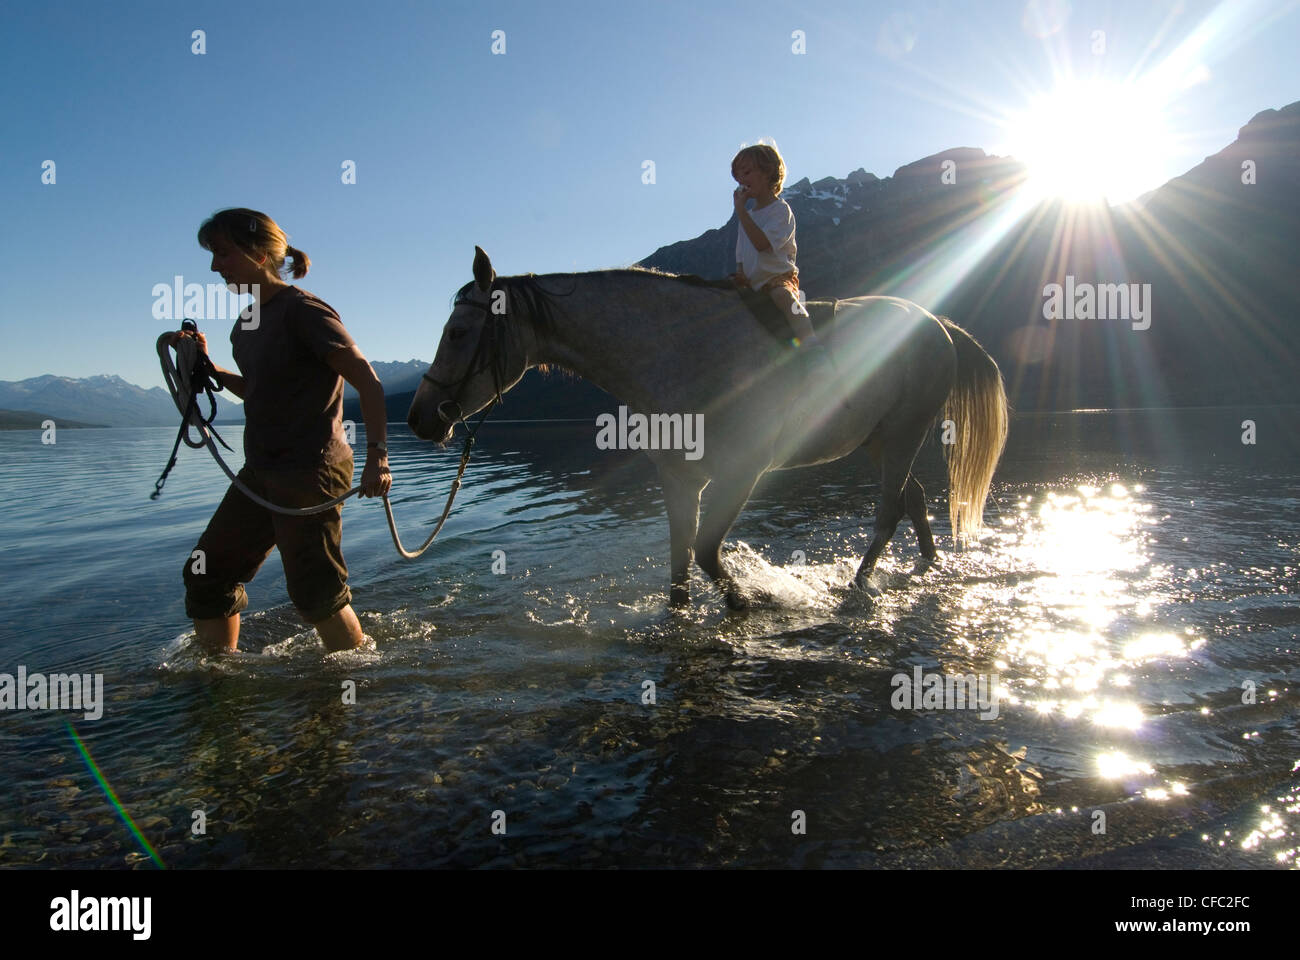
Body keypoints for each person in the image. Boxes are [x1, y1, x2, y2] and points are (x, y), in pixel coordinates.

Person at [165, 208, 391, 654]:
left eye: (223, 253)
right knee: (206, 572)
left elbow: (367, 379)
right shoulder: (246, 324)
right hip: (263, 470)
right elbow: (260, 390)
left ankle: (357, 683)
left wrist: (378, 457)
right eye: (213, 255)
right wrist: (210, 369)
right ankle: (218, 678)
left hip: (312, 471)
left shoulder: (304, 311)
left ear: (260, 252)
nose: (215, 267)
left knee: (315, 593)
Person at [728, 143, 823, 354]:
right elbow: (741, 254)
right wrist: (740, 274)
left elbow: (762, 245)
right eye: (738, 176)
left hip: (777, 278)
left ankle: (812, 345)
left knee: (783, 296)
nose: (741, 180)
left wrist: (740, 212)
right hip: (753, 283)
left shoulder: (780, 211)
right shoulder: (748, 218)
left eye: (747, 172)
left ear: (768, 171)